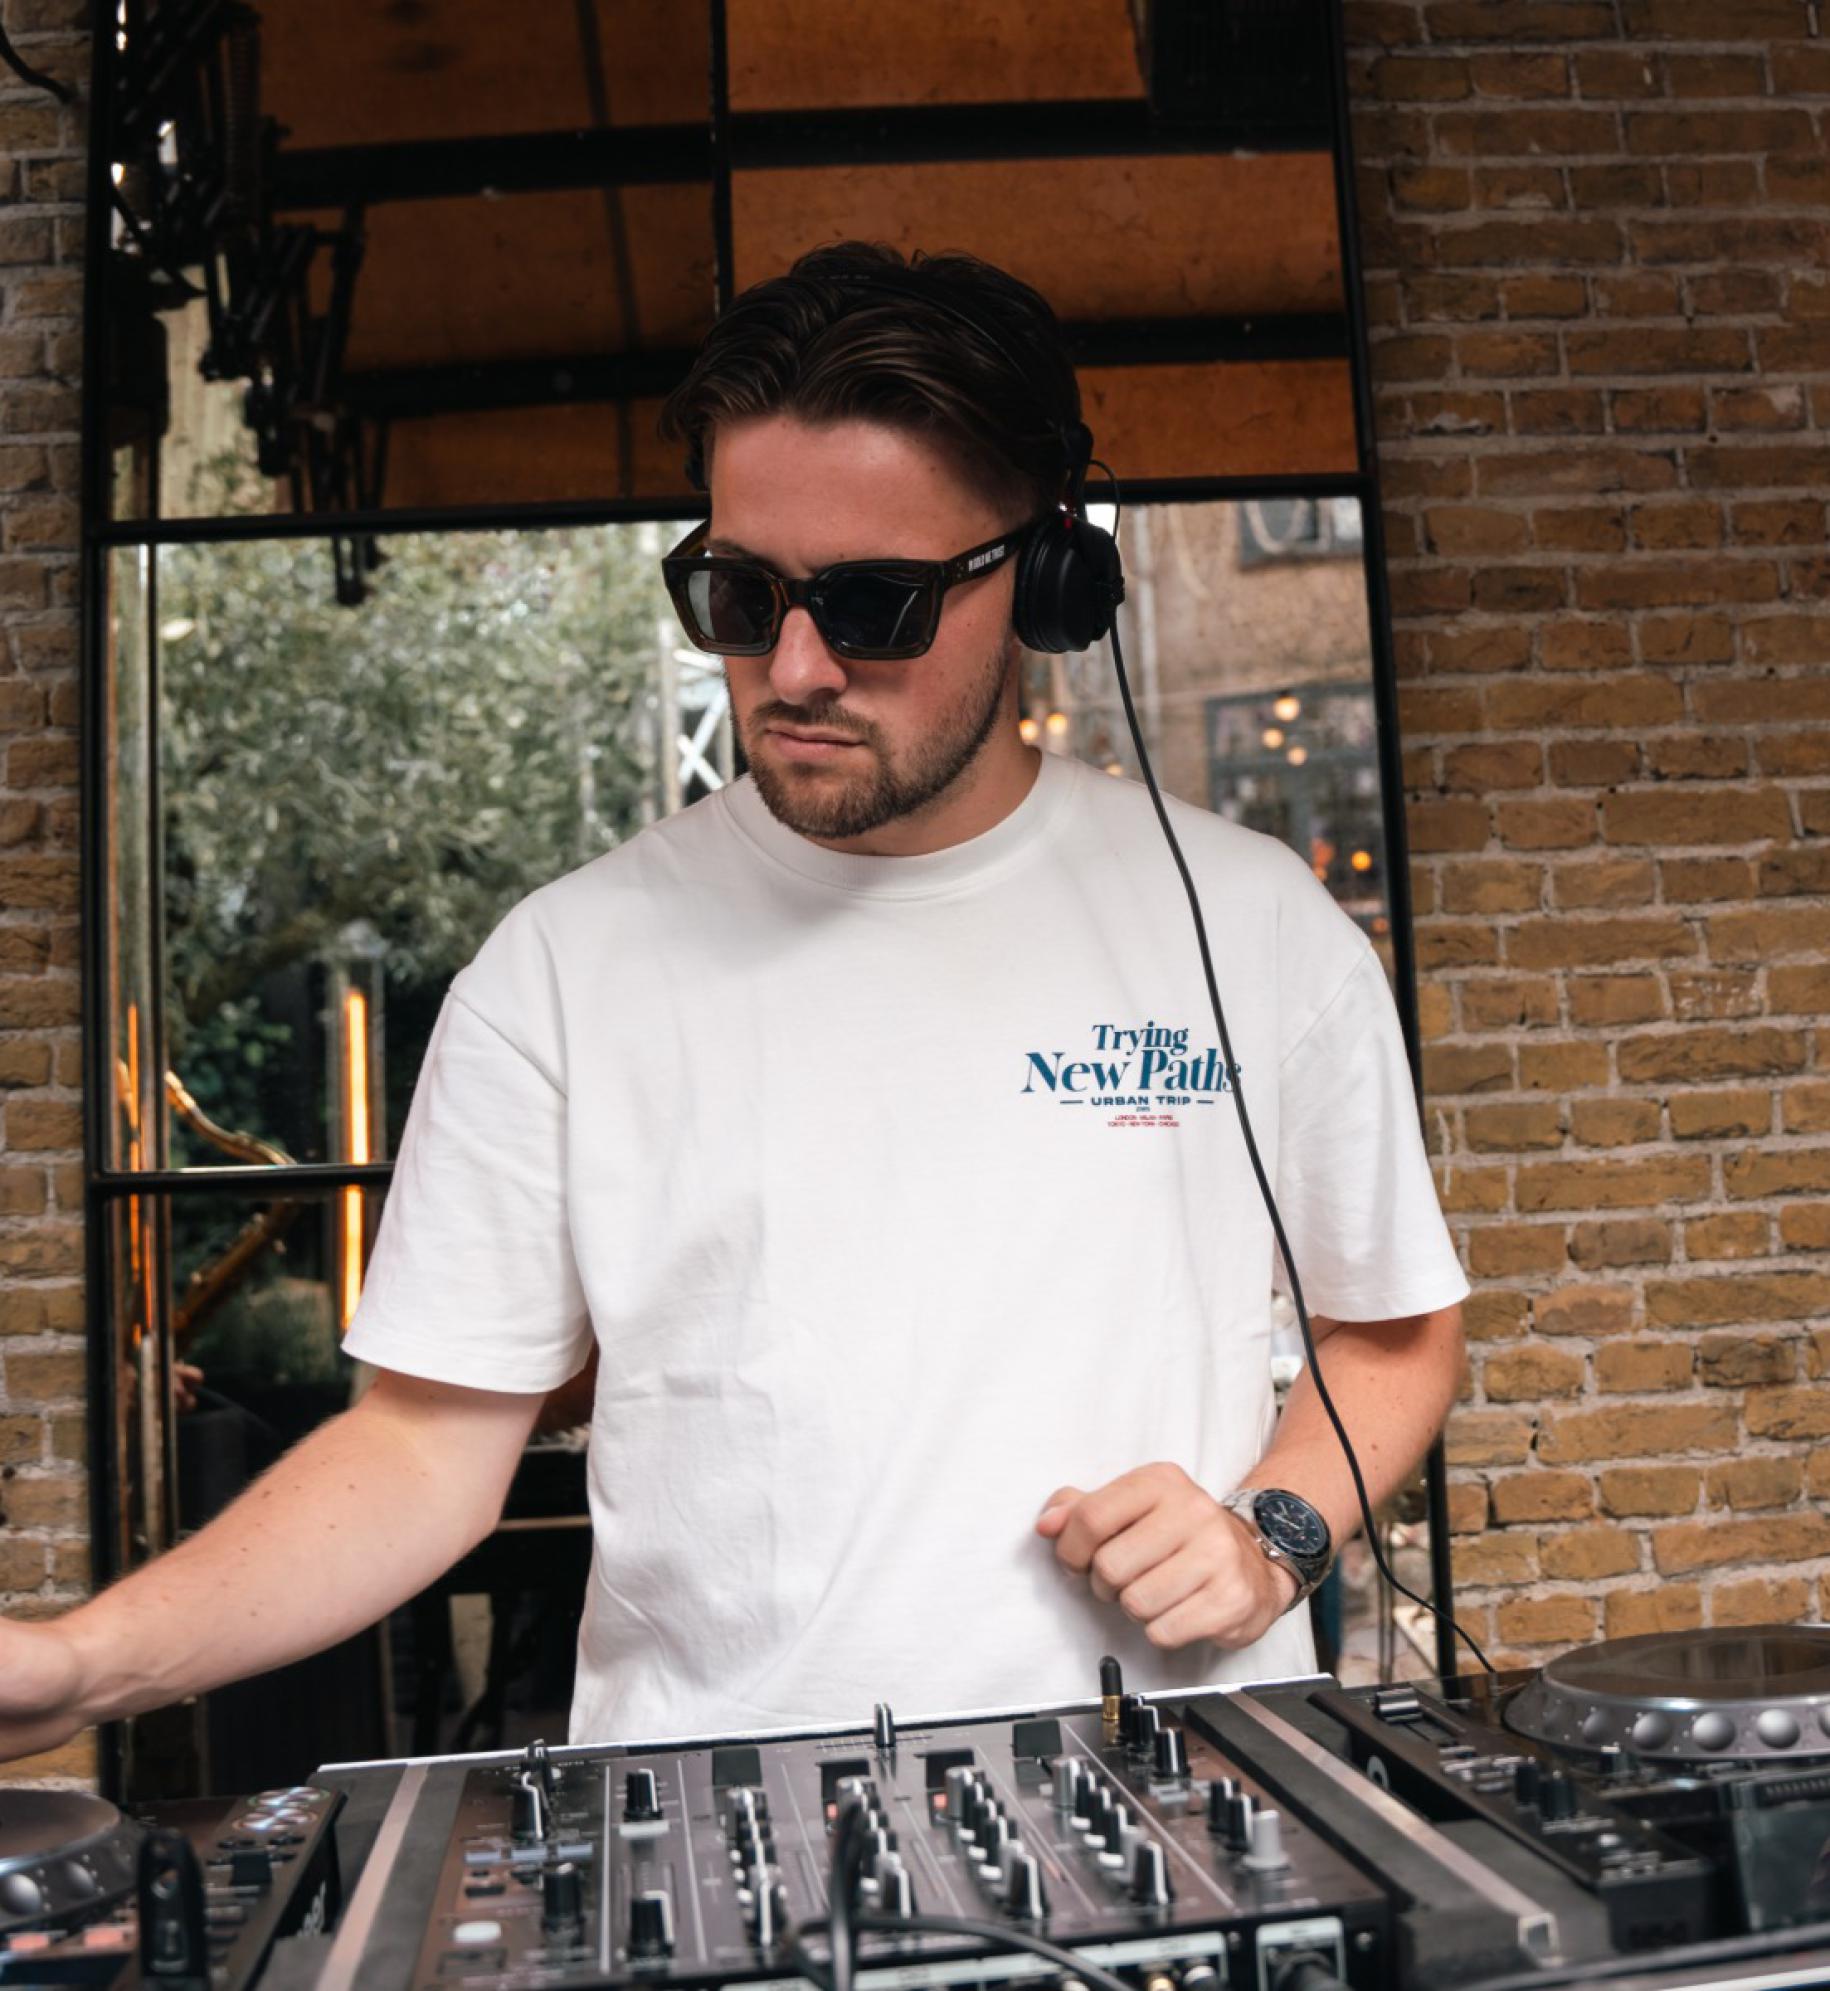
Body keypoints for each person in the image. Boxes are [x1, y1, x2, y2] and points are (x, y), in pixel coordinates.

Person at [0, 242, 1466, 1761]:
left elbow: (1393, 1331)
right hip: (713, 1828)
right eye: (743, 594)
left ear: (1043, 576)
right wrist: (84, 1666)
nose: (794, 667)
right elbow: (424, 1448)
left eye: (876, 604)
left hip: (1181, 1801)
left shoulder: (1250, 923)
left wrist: (1273, 1535)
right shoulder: (563, 970)